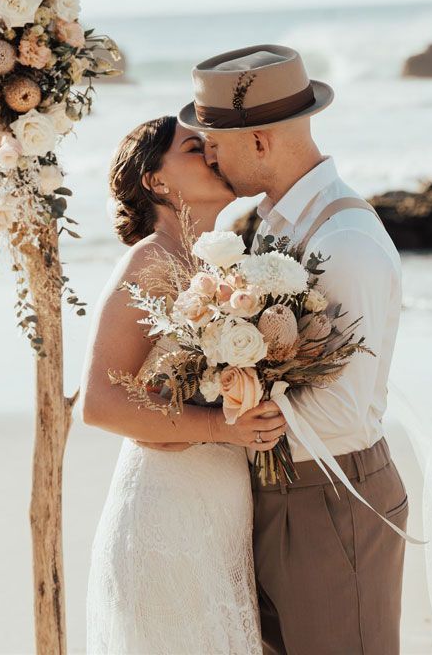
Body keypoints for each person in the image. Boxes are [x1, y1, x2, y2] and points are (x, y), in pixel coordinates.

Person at [177, 43, 410, 655]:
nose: (209, 156)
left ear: (259, 142)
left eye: (216, 144)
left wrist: (224, 415)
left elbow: (342, 412)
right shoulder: (273, 224)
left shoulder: (346, 239)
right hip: (281, 494)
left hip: (333, 502)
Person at [79, 115, 286, 655]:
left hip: (218, 512)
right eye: (196, 148)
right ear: (156, 182)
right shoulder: (150, 262)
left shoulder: (223, 266)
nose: (214, 156)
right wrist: (224, 426)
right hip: (164, 518)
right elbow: (100, 403)